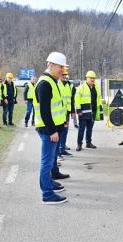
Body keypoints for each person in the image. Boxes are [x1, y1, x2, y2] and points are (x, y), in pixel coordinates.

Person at [34, 51, 69, 204]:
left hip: (54, 128)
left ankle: (49, 184)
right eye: (60, 67)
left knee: (51, 159)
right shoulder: (45, 84)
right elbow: (45, 111)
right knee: (46, 162)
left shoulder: (52, 81)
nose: (62, 70)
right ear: (51, 65)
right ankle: (47, 194)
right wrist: (53, 130)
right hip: (48, 130)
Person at [75, 70, 104, 151]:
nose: (92, 79)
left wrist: (99, 110)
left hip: (93, 112)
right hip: (83, 113)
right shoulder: (81, 87)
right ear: (87, 78)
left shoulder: (96, 88)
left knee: (90, 129)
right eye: (91, 78)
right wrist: (78, 110)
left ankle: (88, 143)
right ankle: (79, 144)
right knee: (81, 129)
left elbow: (98, 99)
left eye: (94, 78)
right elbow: (77, 99)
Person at [57, 67, 72, 158]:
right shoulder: (58, 84)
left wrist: (71, 111)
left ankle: (62, 149)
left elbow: (70, 99)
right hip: (59, 113)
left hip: (66, 112)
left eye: (66, 75)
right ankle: (58, 152)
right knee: (60, 133)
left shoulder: (68, 85)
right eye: (63, 75)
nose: (65, 76)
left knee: (65, 131)